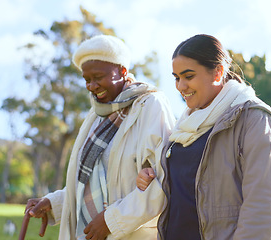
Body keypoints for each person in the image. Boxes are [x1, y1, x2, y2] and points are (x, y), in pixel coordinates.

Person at [24, 35, 176, 240]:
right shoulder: (96, 116)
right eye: (87, 79)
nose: (91, 86)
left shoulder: (151, 105)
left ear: (122, 71)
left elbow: (164, 181)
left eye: (98, 76)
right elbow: (89, 182)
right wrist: (54, 203)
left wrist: (111, 221)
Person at [136, 34, 271, 240]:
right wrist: (151, 175)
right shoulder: (184, 126)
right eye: (177, 78)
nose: (180, 86)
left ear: (218, 72)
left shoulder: (253, 118)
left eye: (188, 77)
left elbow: (263, 204)